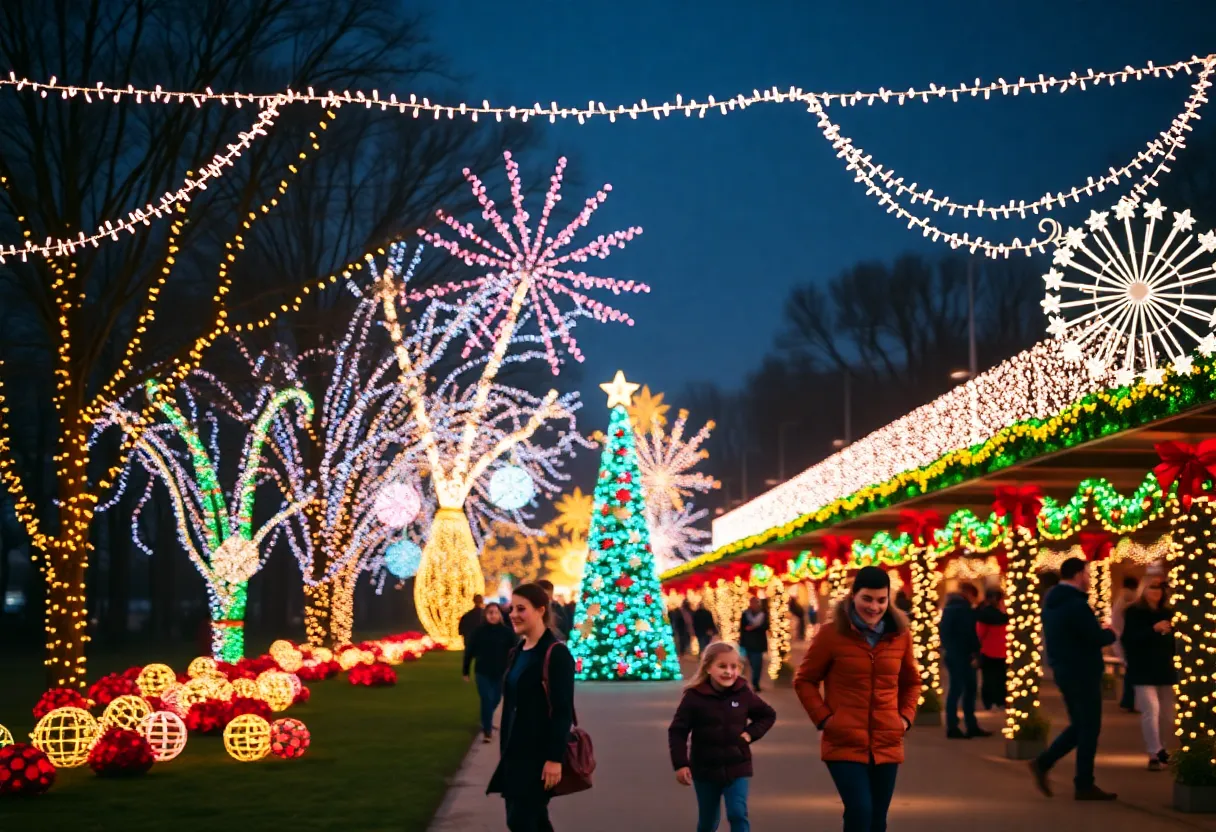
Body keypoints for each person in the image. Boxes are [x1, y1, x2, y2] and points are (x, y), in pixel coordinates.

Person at [795, 566, 921, 832]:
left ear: (889, 600)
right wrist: (825, 719)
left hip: (887, 739)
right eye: (867, 598)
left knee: (877, 820)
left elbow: (911, 682)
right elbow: (804, 680)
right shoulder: (831, 634)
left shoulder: (900, 635)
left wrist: (905, 719)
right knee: (860, 811)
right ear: (853, 595)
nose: (874, 607)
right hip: (844, 740)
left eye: (881, 600)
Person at [488, 583, 576, 831]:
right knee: (532, 821)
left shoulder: (555, 654)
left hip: (538, 756)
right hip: (513, 753)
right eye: (512, 608)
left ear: (540, 610)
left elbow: (562, 711)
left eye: (521, 608)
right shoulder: (517, 652)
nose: (513, 614)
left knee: (520, 821)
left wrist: (554, 758)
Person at [1030, 557, 1118, 801]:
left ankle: (1046, 764)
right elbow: (1093, 638)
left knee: (1081, 725)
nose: (1089, 579)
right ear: (1079, 574)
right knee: (1089, 727)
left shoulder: (1053, 602)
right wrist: (1109, 633)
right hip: (1083, 671)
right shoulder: (1076, 604)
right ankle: (1081, 782)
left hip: (1065, 670)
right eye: (1088, 574)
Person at [669, 642, 777, 832]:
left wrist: (750, 734)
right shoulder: (694, 697)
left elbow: (767, 715)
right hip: (705, 769)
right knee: (708, 820)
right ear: (708, 667)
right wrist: (681, 764)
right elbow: (678, 731)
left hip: (737, 766)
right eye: (722, 666)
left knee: (737, 813)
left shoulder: (743, 693)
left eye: (733, 667)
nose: (728, 672)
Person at [1120, 575, 1176, 771]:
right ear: (1144, 590)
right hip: (1142, 667)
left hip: (1164, 668)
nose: (1156, 592)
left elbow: (1173, 642)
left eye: (1159, 589)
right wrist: (1153, 629)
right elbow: (1129, 639)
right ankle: (1154, 752)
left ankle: (1163, 749)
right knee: (1151, 710)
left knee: (1168, 714)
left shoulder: (1168, 612)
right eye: (1152, 588)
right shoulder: (1135, 612)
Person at [940, 583, 989, 739]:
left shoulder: (950, 608)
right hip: (963, 655)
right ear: (968, 593)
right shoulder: (963, 609)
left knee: (961, 689)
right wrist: (976, 652)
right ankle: (960, 726)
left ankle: (958, 725)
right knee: (963, 690)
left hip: (955, 653)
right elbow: (970, 633)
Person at [463, 602, 517, 743]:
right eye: (490, 613)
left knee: (496, 699)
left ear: (500, 614)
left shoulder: (507, 632)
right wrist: (466, 670)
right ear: (485, 615)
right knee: (486, 699)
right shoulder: (478, 632)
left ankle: (486, 718)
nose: (493, 615)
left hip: (501, 672)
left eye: (495, 612)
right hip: (482, 671)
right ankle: (487, 731)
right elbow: (469, 651)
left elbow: (515, 651)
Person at [975, 588, 1009, 710]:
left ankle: (988, 702)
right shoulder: (1005, 615)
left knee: (988, 678)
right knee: (1002, 678)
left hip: (987, 651)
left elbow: (980, 634)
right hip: (1003, 651)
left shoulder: (983, 614)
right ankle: (1001, 701)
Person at [1111, 575, 1140, 713]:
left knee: (1130, 670)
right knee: (1133, 670)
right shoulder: (1131, 598)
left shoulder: (1120, 597)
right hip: (1127, 637)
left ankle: (1128, 700)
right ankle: (1129, 700)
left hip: (1121, 635)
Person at [738, 597, 770, 691]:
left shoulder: (763, 614)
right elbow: (742, 628)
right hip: (747, 644)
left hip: (758, 645)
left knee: (757, 665)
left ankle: (755, 683)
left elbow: (766, 626)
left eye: (755, 603)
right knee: (747, 664)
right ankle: (744, 684)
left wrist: (754, 628)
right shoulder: (745, 614)